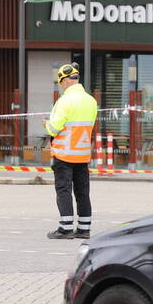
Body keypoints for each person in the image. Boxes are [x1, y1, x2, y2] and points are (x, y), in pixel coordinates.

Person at [45, 63, 98, 239]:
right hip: (82, 154)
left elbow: (54, 128)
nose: (61, 86)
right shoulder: (91, 100)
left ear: (66, 80)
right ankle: (84, 228)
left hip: (64, 154)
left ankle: (65, 228)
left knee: (64, 190)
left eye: (61, 83)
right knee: (83, 192)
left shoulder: (64, 101)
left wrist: (47, 123)